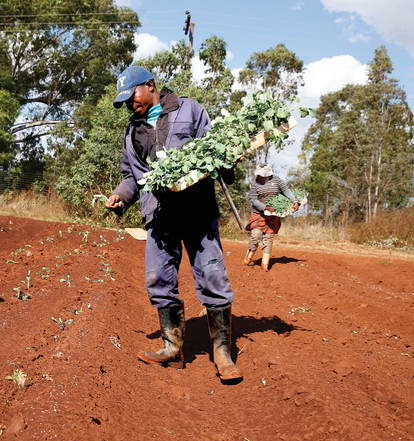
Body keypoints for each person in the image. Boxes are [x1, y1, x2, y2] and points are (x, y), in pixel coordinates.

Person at [105, 66, 242, 380]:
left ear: (150, 86)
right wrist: (120, 196)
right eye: (124, 100)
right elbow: (131, 177)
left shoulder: (189, 110)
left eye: (132, 96)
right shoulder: (132, 131)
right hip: (160, 214)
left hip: (197, 210)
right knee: (159, 279)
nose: (129, 104)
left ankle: (222, 352)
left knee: (212, 275)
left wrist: (229, 161)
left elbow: (215, 150)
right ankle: (172, 346)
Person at [243, 164, 300, 272]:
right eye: (259, 175)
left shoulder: (277, 180)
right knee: (255, 236)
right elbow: (254, 200)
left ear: (269, 174)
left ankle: (265, 264)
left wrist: (295, 201)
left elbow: (286, 191)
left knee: (268, 238)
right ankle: (248, 258)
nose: (261, 177)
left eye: (263, 176)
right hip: (259, 214)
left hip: (273, 215)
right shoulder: (255, 184)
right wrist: (265, 207)